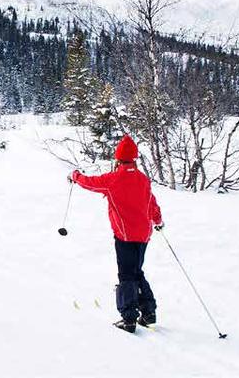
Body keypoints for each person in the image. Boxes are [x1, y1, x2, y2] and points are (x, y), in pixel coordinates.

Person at [69, 135, 163, 334]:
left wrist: (75, 176)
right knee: (137, 271)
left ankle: (128, 318)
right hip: (144, 235)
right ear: (135, 158)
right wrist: (158, 220)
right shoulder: (143, 179)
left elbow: (89, 182)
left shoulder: (113, 179)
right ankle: (149, 314)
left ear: (118, 159)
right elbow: (151, 202)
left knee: (127, 275)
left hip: (125, 236)